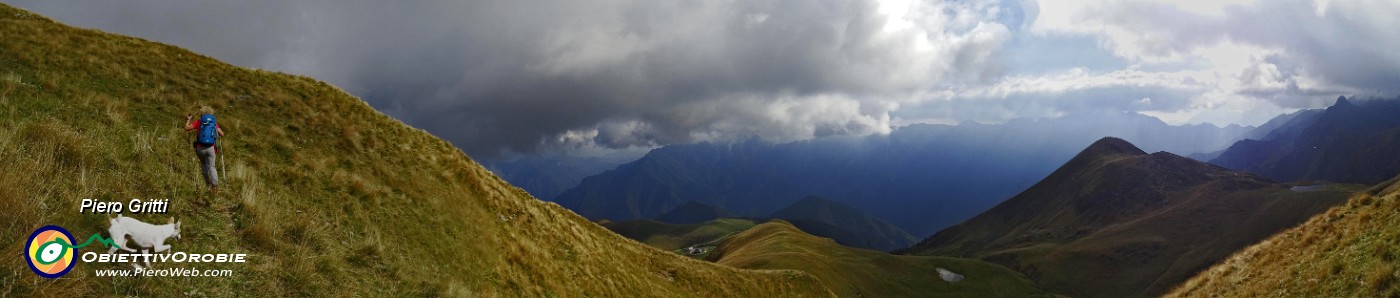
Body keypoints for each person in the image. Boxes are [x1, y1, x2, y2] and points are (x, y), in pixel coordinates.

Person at [184, 106, 225, 195]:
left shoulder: (198, 122)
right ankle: (215, 186)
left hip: (200, 148)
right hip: (211, 148)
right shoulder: (213, 123)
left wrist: (188, 120)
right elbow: (222, 134)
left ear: (202, 113)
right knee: (212, 167)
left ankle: (207, 184)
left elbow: (187, 128)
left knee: (203, 164)